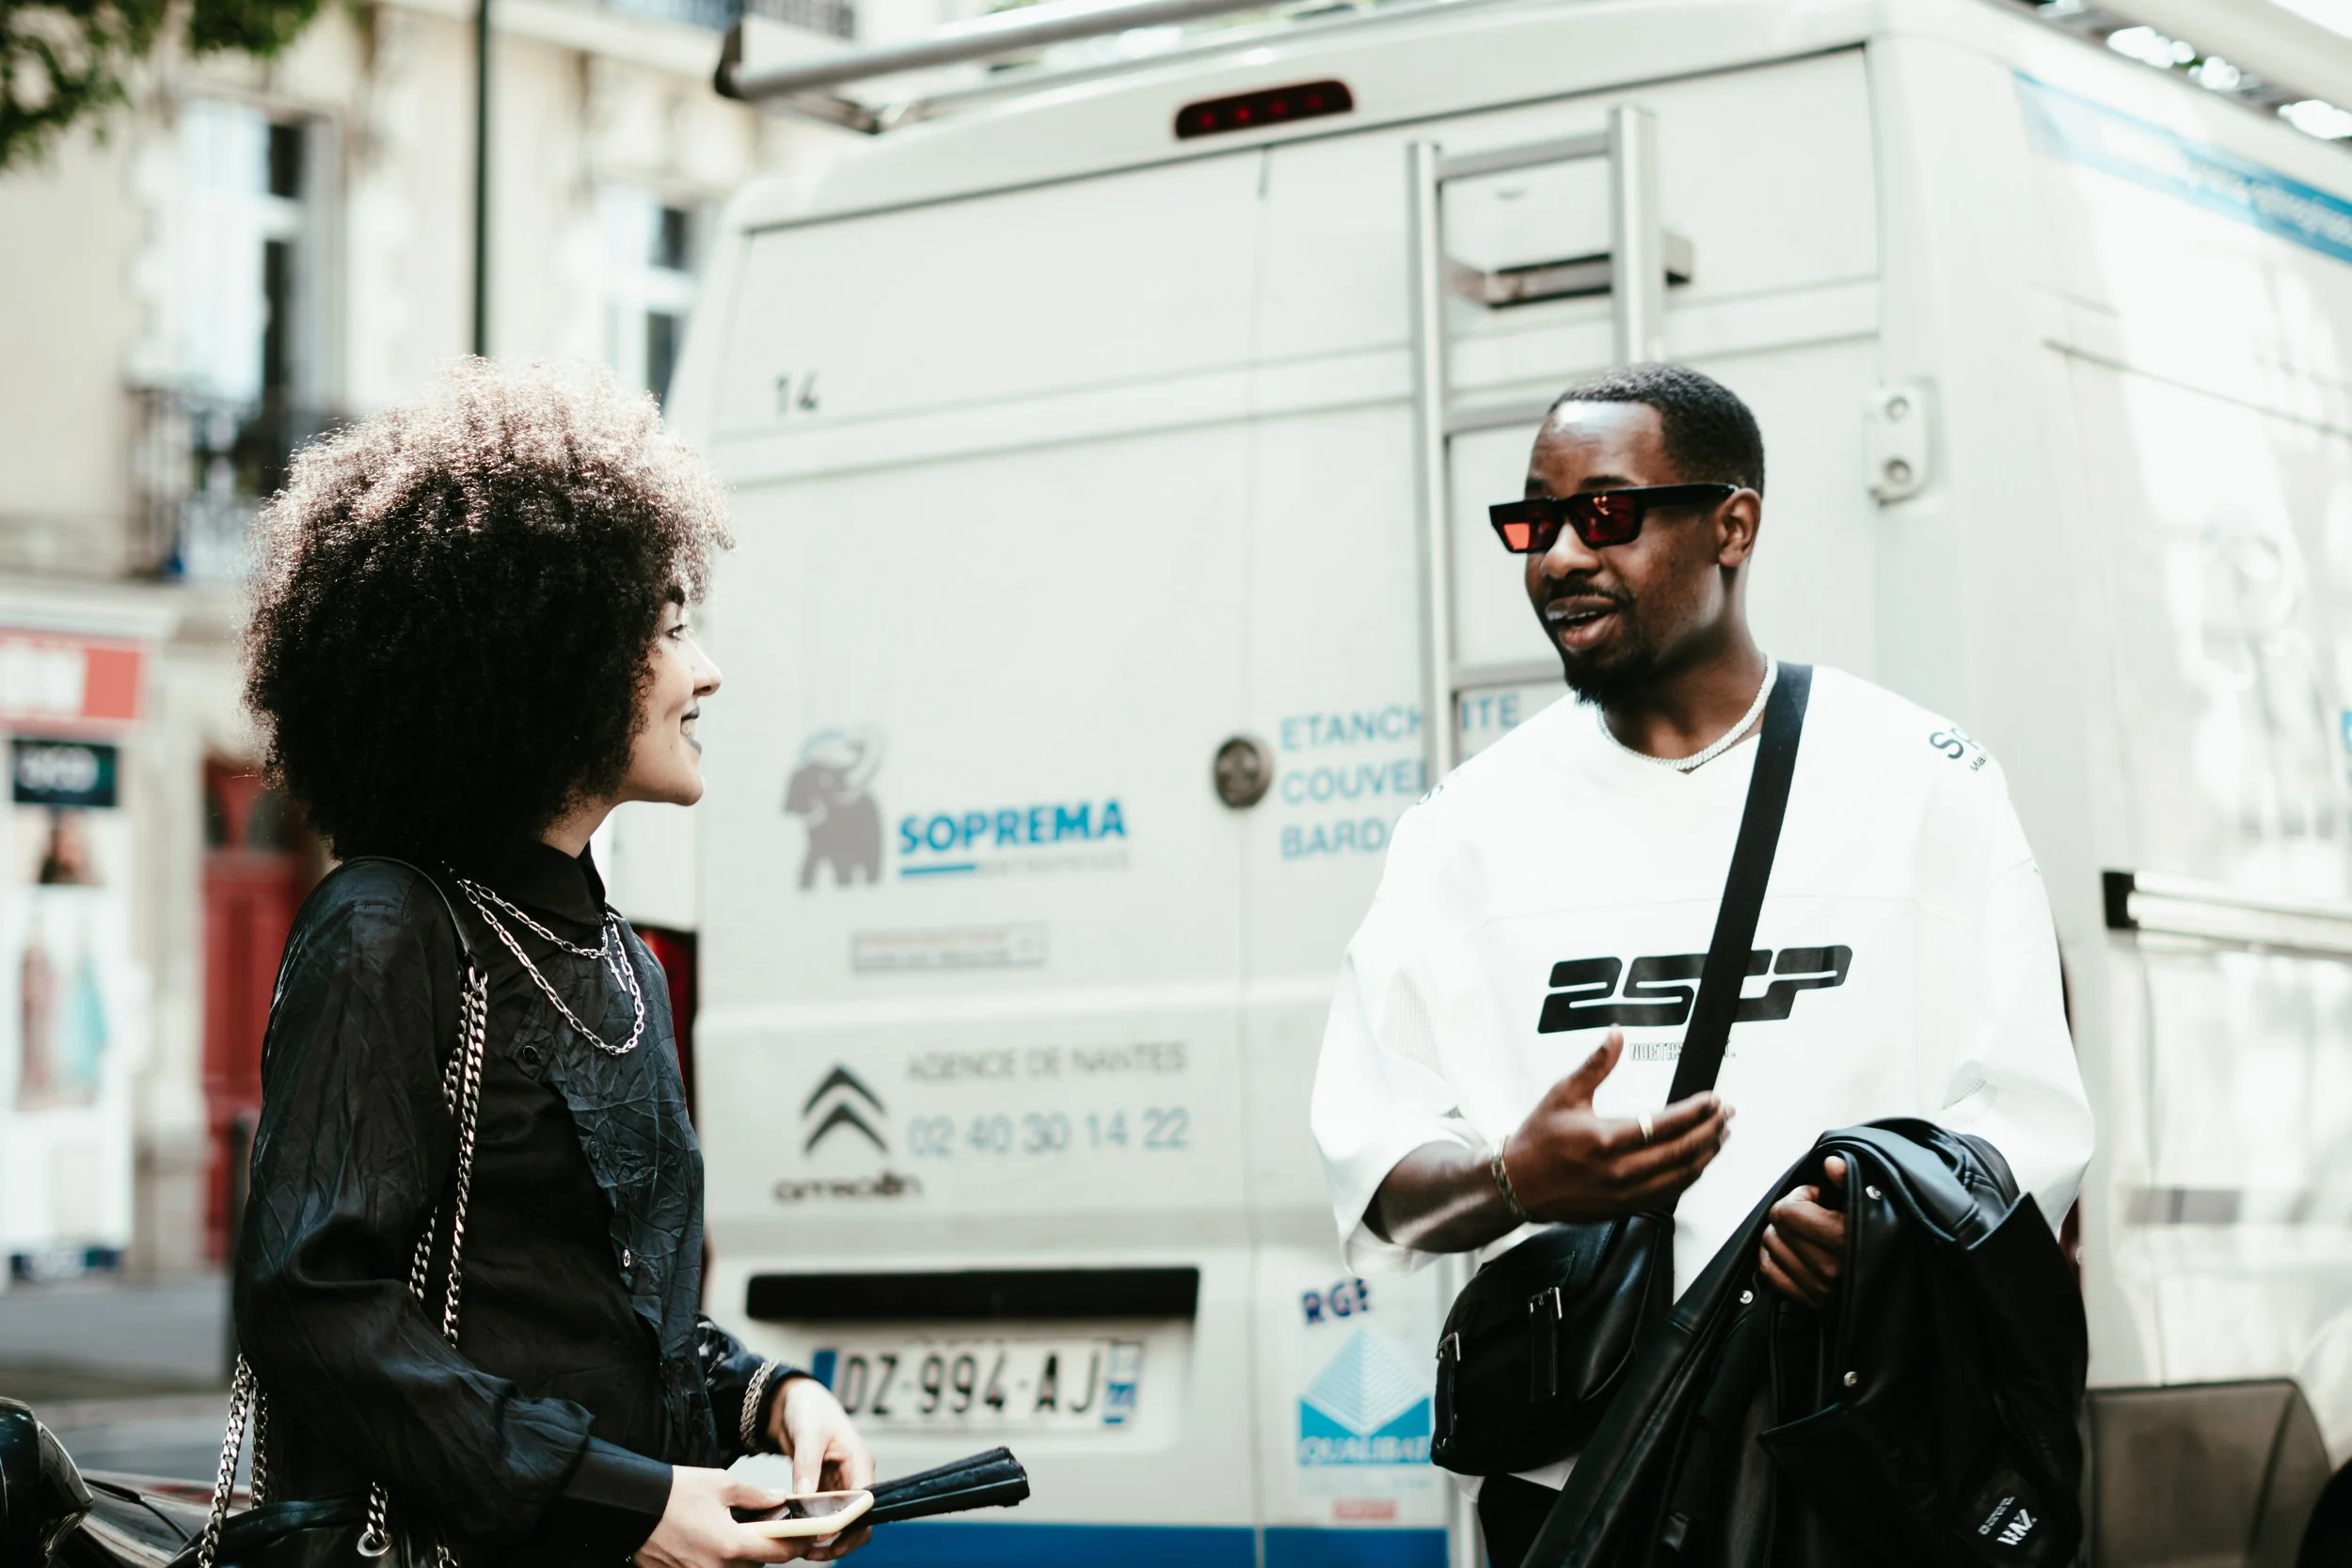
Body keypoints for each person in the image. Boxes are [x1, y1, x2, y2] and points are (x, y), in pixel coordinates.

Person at [1309, 364, 2093, 1568]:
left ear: (1733, 524)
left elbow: (2028, 1134)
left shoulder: (1920, 784)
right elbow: (1377, 1167)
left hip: (1855, 1469)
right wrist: (1514, 1180)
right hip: (1581, 1492)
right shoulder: (1464, 830)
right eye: (1534, 522)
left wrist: (1883, 1248)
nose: (1560, 556)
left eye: (1606, 513)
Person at [234, 361, 872, 1568]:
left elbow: (608, 1320)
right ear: (548, 653)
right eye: (670, 629)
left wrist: (770, 1397)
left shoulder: (622, 961)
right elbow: (312, 1304)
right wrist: (622, 1501)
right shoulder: (384, 928)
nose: (706, 670)